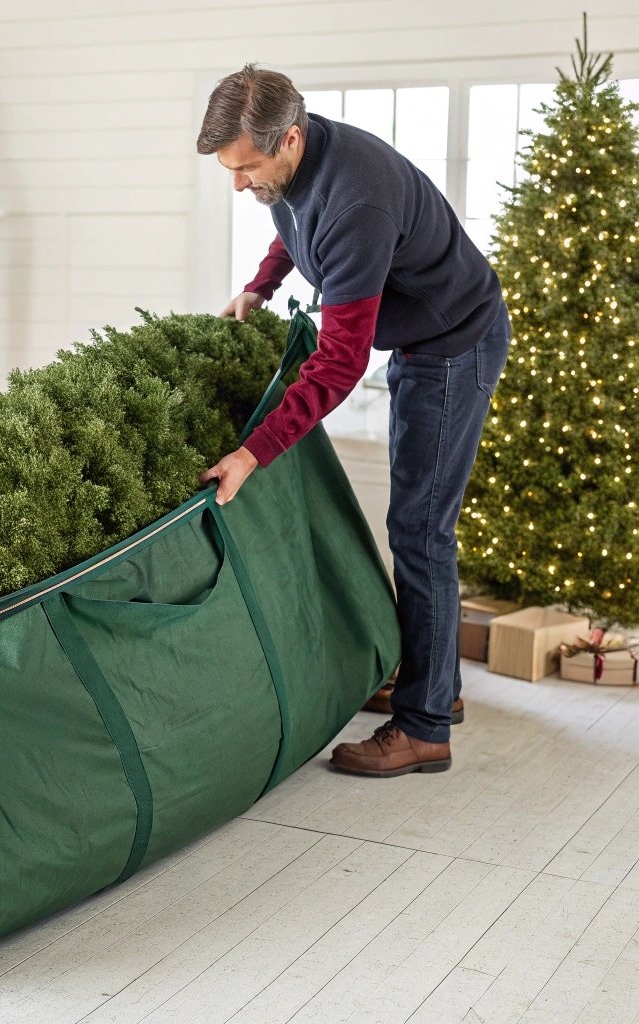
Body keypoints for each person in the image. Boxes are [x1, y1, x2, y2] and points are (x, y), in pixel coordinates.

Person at [196, 64, 510, 777]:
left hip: (453, 344)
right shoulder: (299, 169)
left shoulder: (357, 204)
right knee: (417, 526)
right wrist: (259, 288)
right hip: (423, 333)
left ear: (290, 139)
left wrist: (253, 453)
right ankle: (437, 686)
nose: (240, 184)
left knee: (421, 531)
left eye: (246, 168)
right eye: (229, 170)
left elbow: (339, 365)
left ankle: (426, 726)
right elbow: (292, 226)